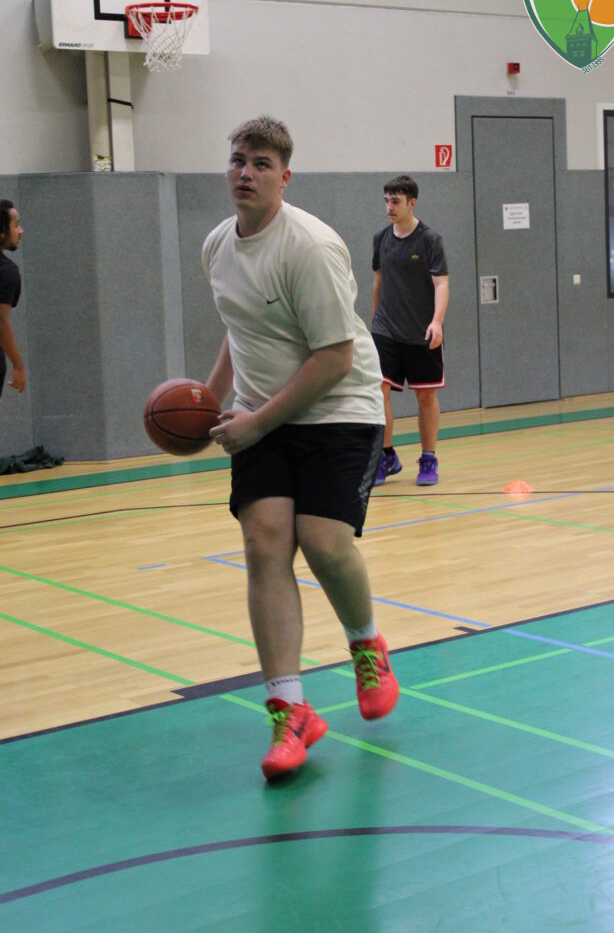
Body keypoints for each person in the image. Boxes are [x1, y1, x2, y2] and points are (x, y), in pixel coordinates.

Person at [202, 116, 399, 780]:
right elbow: (240, 326)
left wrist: (257, 422)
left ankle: (365, 644)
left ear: (284, 177)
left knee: (322, 541)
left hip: (338, 407)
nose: (246, 172)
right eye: (238, 160)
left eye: (261, 164)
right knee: (263, 543)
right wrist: (206, 401)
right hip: (264, 410)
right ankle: (290, 712)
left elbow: (335, 357)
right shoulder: (217, 246)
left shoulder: (309, 247)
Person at [371, 175, 449, 486]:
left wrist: (437, 321)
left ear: (412, 203)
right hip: (386, 329)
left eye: (396, 201)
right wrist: (374, 323)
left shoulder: (430, 240)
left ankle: (428, 458)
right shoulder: (380, 238)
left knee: (425, 396)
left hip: (420, 332)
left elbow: (441, 284)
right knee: (378, 390)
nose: (389, 207)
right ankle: (386, 456)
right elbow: (378, 282)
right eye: (386, 201)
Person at [0, 200, 26, 399]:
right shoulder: (7, 272)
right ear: (2, 232)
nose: (21, 230)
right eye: (16, 225)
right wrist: (18, 364)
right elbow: (0, 321)